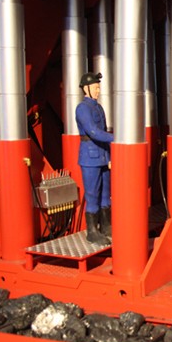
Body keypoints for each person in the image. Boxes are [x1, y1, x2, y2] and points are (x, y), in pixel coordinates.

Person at [76, 72, 114, 245]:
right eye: (95, 87)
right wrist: (115, 137)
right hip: (90, 157)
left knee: (105, 193)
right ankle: (92, 231)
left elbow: (103, 130)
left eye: (98, 87)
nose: (98, 91)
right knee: (92, 194)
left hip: (103, 155)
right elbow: (93, 131)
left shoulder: (98, 107)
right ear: (86, 89)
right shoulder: (82, 108)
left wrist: (109, 155)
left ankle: (106, 225)